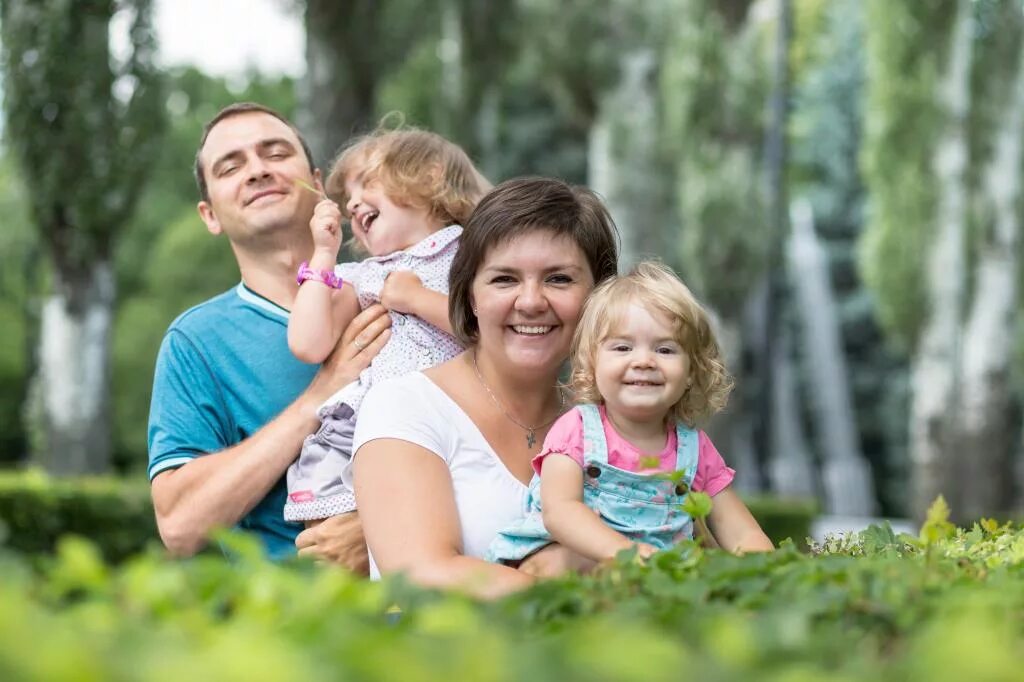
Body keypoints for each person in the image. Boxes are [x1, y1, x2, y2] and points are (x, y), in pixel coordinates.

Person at [349, 177, 620, 599]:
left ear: (599, 296)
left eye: (559, 279)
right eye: (504, 279)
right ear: (470, 294)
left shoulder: (612, 421)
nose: (531, 301)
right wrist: (576, 582)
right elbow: (422, 574)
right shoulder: (406, 406)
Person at [147, 102, 391, 567]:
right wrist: (317, 398)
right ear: (210, 215)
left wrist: (387, 532)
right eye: (231, 166)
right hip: (284, 627)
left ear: (318, 185)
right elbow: (179, 525)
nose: (258, 171)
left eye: (275, 153)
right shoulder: (195, 343)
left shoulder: (398, 294)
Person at [486, 261, 774, 565]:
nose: (644, 361)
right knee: (562, 562)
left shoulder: (694, 450)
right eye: (623, 348)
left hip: (655, 575)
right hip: (576, 556)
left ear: (692, 371)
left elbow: (743, 535)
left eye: (665, 350)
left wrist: (769, 573)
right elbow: (560, 512)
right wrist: (627, 554)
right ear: (592, 363)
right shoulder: (578, 430)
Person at [284, 128, 489, 524]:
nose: (352, 203)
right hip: (367, 430)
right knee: (332, 531)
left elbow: (493, 333)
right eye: (347, 196)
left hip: (459, 422)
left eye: (368, 182)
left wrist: (417, 300)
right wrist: (324, 256)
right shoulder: (365, 275)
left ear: (429, 176)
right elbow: (308, 344)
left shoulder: (473, 251)